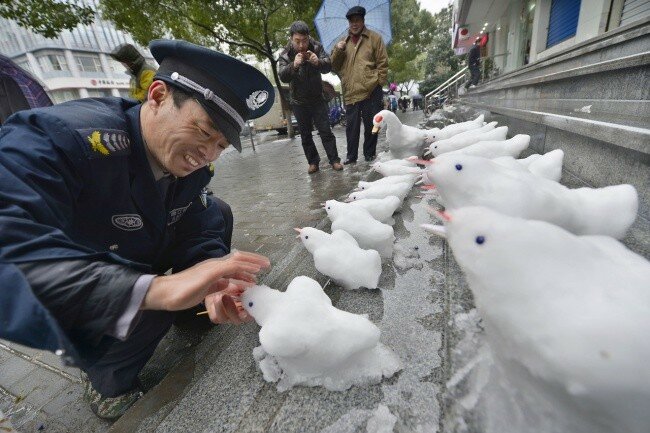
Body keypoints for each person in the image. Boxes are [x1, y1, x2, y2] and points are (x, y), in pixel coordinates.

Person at [0, 39, 276, 420]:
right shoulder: (60, 140)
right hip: (78, 284)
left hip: (134, 246)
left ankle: (189, 307)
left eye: (221, 144)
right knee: (145, 305)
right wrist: (153, 289)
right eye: (204, 129)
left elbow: (196, 220)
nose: (208, 154)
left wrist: (213, 274)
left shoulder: (188, 158)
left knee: (219, 213)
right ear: (158, 95)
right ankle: (106, 378)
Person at [279, 21, 342, 174]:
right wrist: (293, 65)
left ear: (309, 37)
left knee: (325, 131)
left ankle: (334, 160)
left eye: (304, 40)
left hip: (317, 99)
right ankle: (313, 162)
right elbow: (282, 76)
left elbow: (328, 66)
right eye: (297, 41)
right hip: (298, 102)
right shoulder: (285, 54)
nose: (301, 45)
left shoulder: (317, 47)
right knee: (306, 135)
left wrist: (318, 62)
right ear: (291, 39)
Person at [331, 6, 388, 164]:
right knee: (351, 128)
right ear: (348, 23)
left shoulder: (374, 38)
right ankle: (351, 156)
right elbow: (334, 66)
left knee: (373, 125)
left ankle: (369, 153)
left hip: (371, 90)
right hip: (351, 91)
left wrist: (378, 83)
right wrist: (338, 50)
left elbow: (383, 63)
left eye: (357, 20)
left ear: (363, 20)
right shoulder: (343, 42)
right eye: (351, 21)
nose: (354, 24)